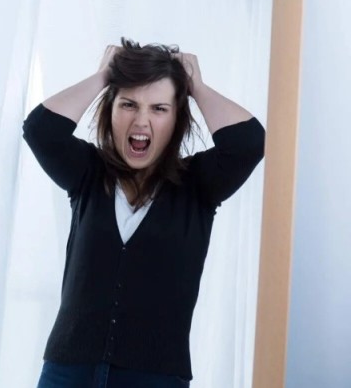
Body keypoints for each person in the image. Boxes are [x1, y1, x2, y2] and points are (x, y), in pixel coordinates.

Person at [23, 39, 265, 388]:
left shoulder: (197, 185)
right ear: (110, 110)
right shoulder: (89, 174)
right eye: (128, 104)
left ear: (178, 117)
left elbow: (249, 143)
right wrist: (102, 76)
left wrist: (197, 87)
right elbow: (40, 130)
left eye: (159, 109)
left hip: (156, 377)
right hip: (68, 372)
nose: (141, 120)